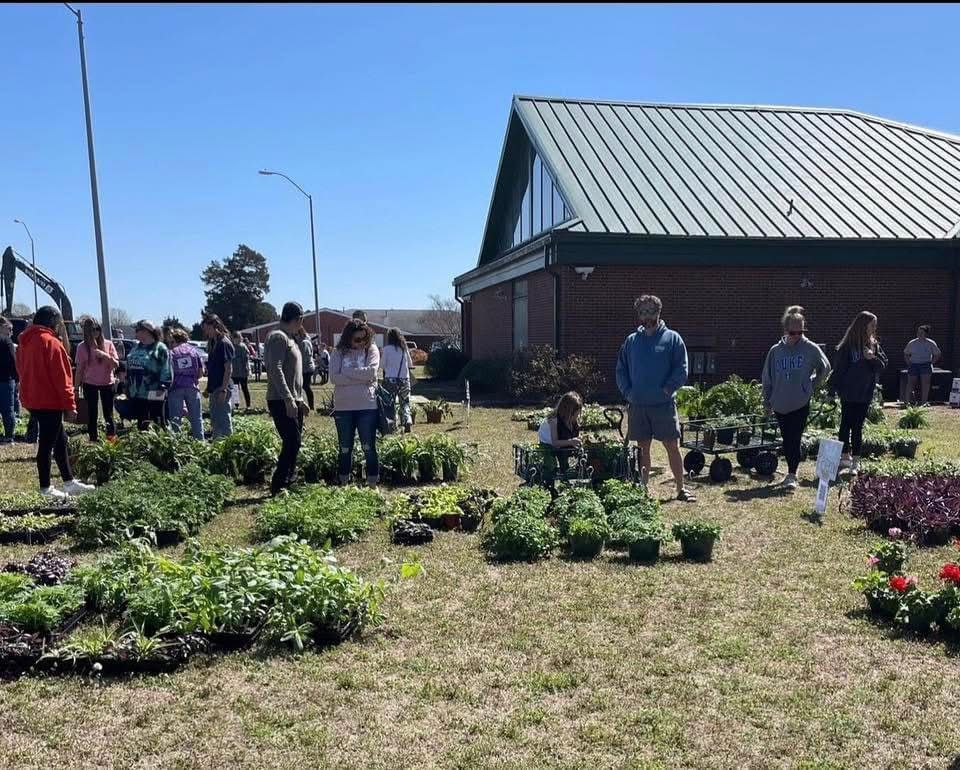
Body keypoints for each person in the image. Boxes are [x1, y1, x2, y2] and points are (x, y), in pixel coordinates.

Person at [616, 294, 696, 502]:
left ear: (659, 312)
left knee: (672, 446)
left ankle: (680, 488)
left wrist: (668, 389)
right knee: (643, 449)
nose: (647, 316)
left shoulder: (672, 339)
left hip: (663, 405)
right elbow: (621, 370)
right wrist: (628, 392)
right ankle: (643, 490)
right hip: (639, 405)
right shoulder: (632, 341)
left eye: (651, 311)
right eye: (643, 312)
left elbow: (681, 368)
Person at [15, 306, 94, 498]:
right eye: (59, 322)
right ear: (53, 322)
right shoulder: (52, 343)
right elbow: (62, 378)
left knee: (60, 441)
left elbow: (20, 370)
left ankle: (68, 482)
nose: (60, 327)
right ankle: (45, 488)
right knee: (47, 445)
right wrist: (70, 405)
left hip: (33, 399)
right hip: (50, 400)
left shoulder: (25, 342)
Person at [762, 305, 832, 490]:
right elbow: (767, 378)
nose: (797, 336)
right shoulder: (775, 351)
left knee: (795, 437)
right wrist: (767, 401)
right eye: (794, 332)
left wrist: (811, 384)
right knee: (787, 438)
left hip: (800, 401)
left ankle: (792, 474)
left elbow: (825, 367)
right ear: (786, 330)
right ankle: (791, 471)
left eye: (801, 332)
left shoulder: (810, 348)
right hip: (780, 402)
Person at [829, 312, 888, 474]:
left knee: (857, 427)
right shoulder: (848, 346)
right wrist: (831, 390)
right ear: (863, 326)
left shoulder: (874, 346)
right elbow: (838, 370)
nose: (874, 329)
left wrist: (872, 358)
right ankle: (844, 457)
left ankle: (856, 461)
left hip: (864, 393)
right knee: (845, 425)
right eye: (872, 326)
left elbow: (882, 366)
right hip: (848, 393)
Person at [264, 302, 309, 495]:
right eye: (301, 320)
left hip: (292, 398)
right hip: (280, 399)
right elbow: (275, 369)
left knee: (294, 442)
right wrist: (289, 399)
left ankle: (288, 480)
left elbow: (294, 375)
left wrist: (299, 399)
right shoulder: (278, 337)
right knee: (292, 441)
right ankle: (278, 484)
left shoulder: (290, 338)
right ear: (298, 319)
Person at [330, 318, 380, 487]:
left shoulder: (371, 350)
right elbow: (334, 378)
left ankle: (372, 483)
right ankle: (344, 481)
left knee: (368, 447)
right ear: (348, 338)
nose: (361, 343)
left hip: (367, 406)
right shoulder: (338, 353)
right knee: (345, 447)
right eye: (357, 339)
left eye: (365, 338)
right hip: (343, 407)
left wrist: (347, 372)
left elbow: (372, 372)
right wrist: (361, 378)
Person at [74, 317, 119, 442]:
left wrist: (104, 355)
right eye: (91, 330)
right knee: (92, 414)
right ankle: (93, 439)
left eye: (97, 329)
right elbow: (79, 370)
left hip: (107, 383)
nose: (95, 333)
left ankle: (111, 440)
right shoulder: (82, 347)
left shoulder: (108, 344)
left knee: (108, 414)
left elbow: (116, 364)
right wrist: (76, 389)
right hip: (89, 384)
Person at [125, 320, 172, 430]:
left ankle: (160, 444)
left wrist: (163, 386)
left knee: (157, 419)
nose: (136, 333)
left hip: (155, 391)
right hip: (137, 392)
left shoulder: (160, 348)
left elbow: (166, 369)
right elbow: (129, 367)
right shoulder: (136, 347)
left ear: (146, 331)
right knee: (142, 421)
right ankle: (143, 445)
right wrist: (126, 384)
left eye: (137, 330)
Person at [167, 327, 205, 439]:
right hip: (192, 387)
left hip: (176, 388)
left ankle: (176, 445)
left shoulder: (171, 353)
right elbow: (201, 372)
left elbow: (169, 372)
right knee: (196, 418)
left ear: (174, 340)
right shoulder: (194, 351)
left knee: (175, 419)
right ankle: (200, 442)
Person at [202, 314, 234, 438]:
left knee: (224, 419)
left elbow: (228, 369)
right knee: (215, 418)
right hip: (214, 387)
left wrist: (223, 389)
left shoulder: (224, 343)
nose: (205, 332)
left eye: (206, 328)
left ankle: (228, 445)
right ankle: (217, 444)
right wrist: (208, 388)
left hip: (222, 387)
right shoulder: (212, 342)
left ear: (214, 326)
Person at [537, 391, 583, 477]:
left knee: (565, 455)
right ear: (567, 412)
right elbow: (555, 442)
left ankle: (566, 474)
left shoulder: (572, 420)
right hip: (548, 444)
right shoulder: (554, 420)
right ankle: (549, 481)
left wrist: (578, 440)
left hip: (562, 441)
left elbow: (574, 434)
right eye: (574, 415)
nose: (576, 417)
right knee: (551, 464)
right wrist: (571, 442)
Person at [380, 327, 414, 433]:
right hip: (404, 379)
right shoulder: (404, 349)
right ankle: (407, 420)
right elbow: (410, 364)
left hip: (390, 379)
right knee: (405, 402)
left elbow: (382, 365)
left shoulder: (386, 349)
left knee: (390, 403)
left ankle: (393, 424)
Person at [904, 324, 941, 405]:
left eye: (921, 332)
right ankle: (906, 402)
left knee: (925, 384)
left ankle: (924, 403)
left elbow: (937, 354)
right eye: (918, 332)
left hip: (925, 365)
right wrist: (908, 363)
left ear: (926, 334)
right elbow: (906, 353)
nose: (919, 334)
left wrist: (931, 362)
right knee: (910, 384)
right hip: (913, 364)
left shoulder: (930, 343)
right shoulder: (912, 343)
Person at [0, 316, 16, 444]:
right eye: (8, 328)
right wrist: (17, 379)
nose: (10, 331)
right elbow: (13, 361)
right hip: (6, 379)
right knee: (8, 409)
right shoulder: (6, 341)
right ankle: (9, 436)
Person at [296, 329, 316, 412]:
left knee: (306, 386)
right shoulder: (301, 341)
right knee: (302, 386)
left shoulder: (304, 342)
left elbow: (305, 357)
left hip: (307, 368)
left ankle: (311, 406)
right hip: (303, 367)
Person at [230, 331, 251, 410]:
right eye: (235, 338)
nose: (237, 340)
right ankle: (236, 405)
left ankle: (248, 405)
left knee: (245, 388)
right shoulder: (231, 346)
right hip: (234, 372)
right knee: (235, 389)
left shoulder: (243, 347)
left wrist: (247, 369)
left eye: (239, 338)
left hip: (242, 372)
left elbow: (246, 359)